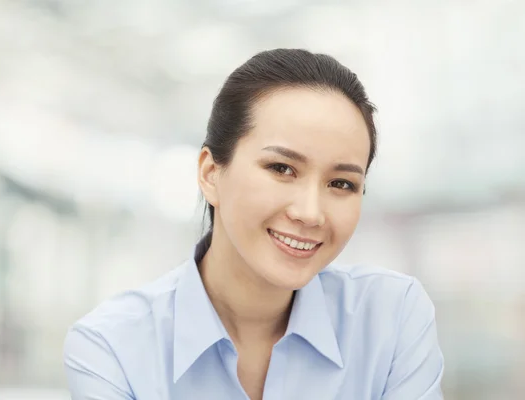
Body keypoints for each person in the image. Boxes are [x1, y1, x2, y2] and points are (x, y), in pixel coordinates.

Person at [63, 48, 444, 400]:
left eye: (341, 183)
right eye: (282, 169)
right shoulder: (112, 347)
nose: (310, 213)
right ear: (211, 174)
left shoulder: (391, 319)